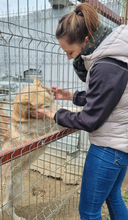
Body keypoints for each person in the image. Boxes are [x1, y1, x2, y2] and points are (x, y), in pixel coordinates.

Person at [31, 3, 128, 220]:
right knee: (113, 197)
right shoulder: (116, 55)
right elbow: (108, 97)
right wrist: (70, 96)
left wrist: (53, 114)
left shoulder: (106, 65)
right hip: (120, 144)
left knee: (88, 212)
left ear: (85, 41)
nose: (68, 57)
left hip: (108, 148)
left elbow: (89, 119)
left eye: (70, 52)